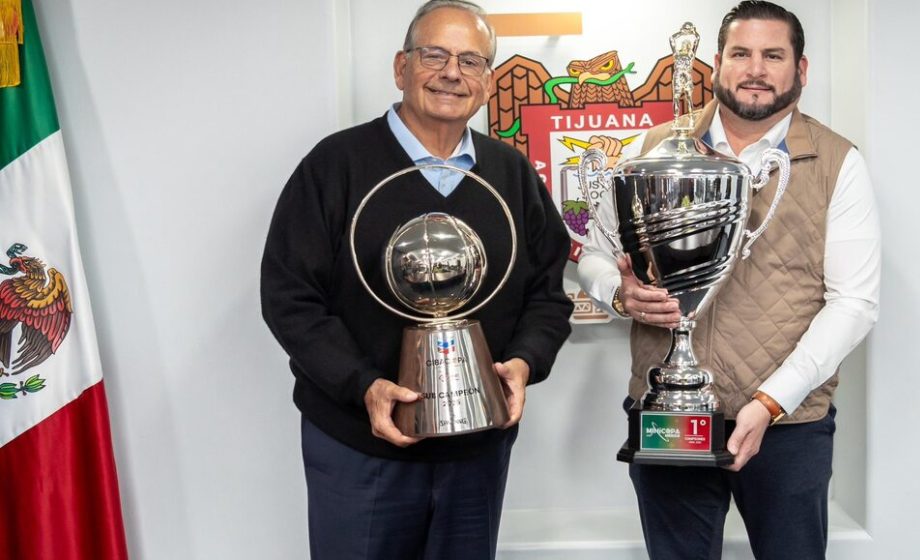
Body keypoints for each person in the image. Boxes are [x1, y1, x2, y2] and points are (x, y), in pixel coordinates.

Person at [260, 1, 573, 558]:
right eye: (435, 55)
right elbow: (290, 299)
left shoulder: (512, 174)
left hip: (477, 451)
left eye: (471, 61)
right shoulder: (336, 165)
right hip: (359, 449)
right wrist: (363, 386)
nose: (452, 73)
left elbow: (547, 294)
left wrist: (525, 363)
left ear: (487, 81)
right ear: (401, 68)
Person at [577, 2, 881, 558]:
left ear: (801, 70)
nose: (756, 69)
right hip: (667, 411)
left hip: (788, 424)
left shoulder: (838, 163)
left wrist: (770, 403)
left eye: (773, 55)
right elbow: (594, 255)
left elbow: (853, 304)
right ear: (717, 65)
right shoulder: (654, 149)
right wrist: (620, 293)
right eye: (741, 54)